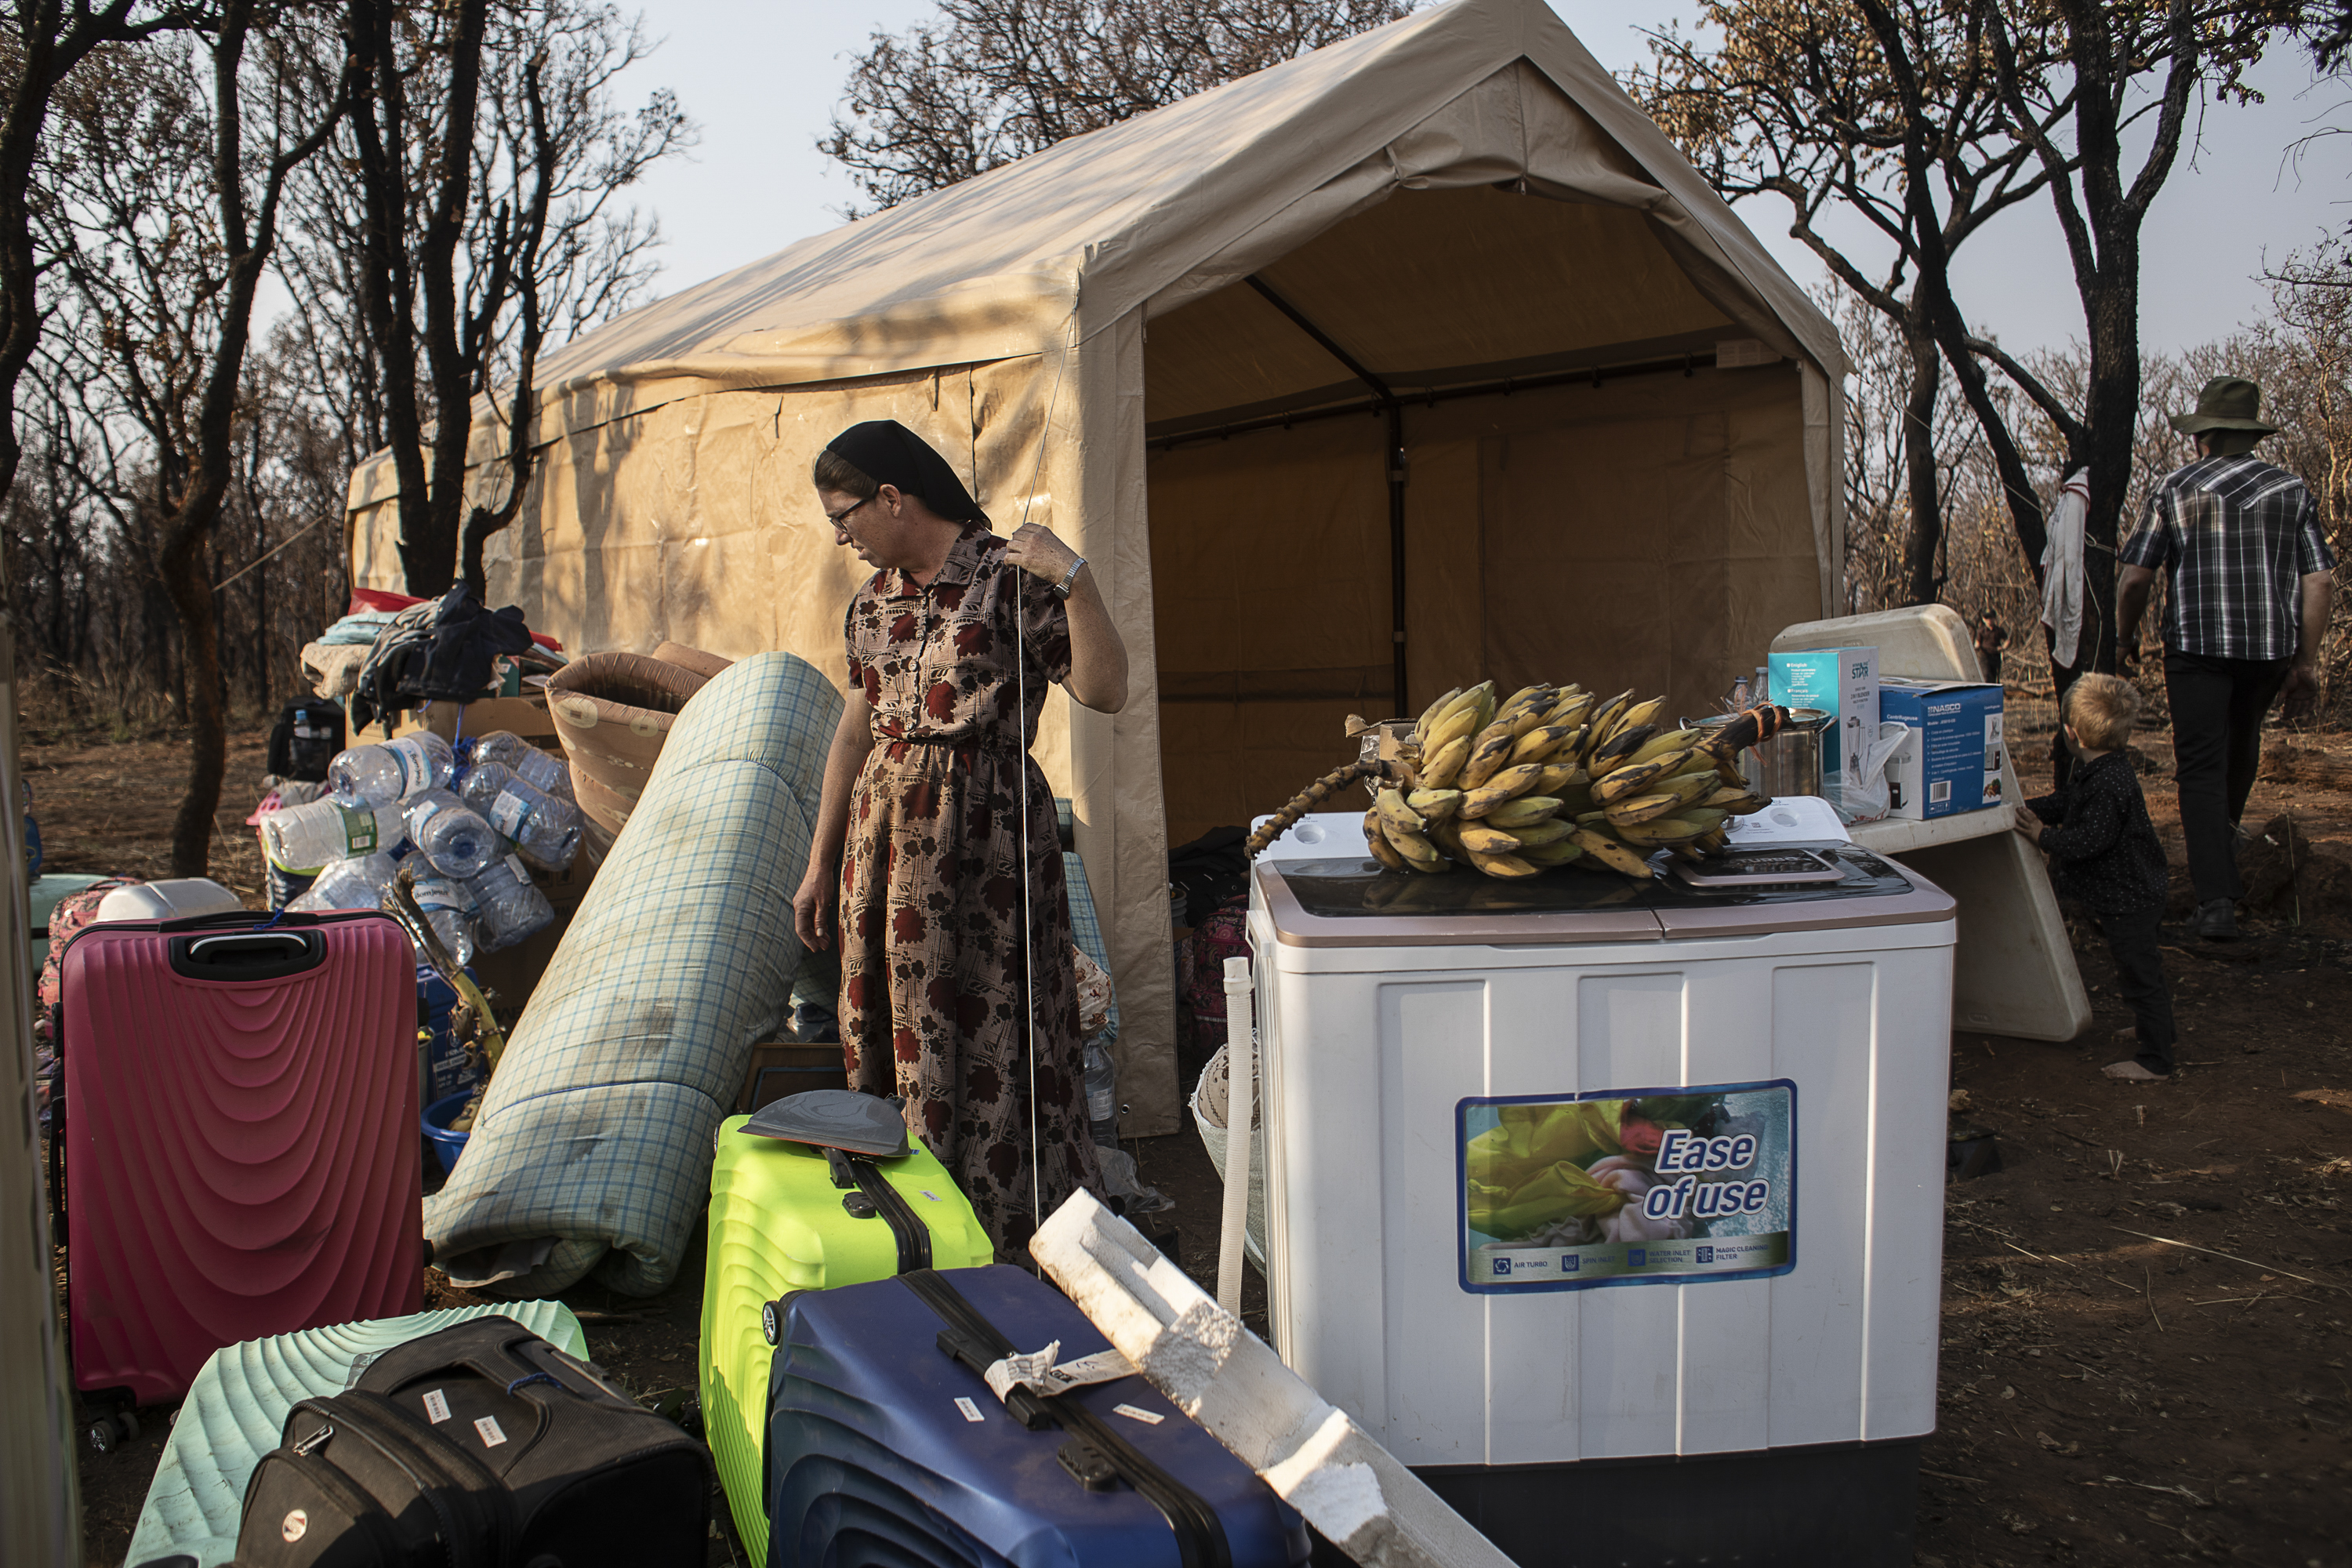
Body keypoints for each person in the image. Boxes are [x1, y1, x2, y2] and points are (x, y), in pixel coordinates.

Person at [791, 419, 1129, 1255]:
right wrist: (818, 859)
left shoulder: (1011, 575)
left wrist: (1076, 579)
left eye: (845, 515)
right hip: (889, 853)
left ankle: (1013, 1232)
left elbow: (1107, 688)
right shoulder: (872, 604)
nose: (841, 535)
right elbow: (854, 729)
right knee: (893, 1026)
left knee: (997, 1027)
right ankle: (911, 1224)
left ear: (892, 496)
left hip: (991, 847)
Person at [2117, 374, 2336, 942]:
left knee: (2200, 767)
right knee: (2242, 747)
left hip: (2197, 649)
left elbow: (2135, 579)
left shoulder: (2175, 488)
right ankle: (2224, 847)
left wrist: (2124, 637)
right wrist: (2305, 662)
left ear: (2204, 437)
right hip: (2268, 649)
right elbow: (2321, 582)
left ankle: (2215, 902)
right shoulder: (2292, 491)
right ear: (2250, 435)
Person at [2013, 675, 2176, 1081]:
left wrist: (2042, 836)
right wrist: (2023, 807)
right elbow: (2068, 803)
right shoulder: (2102, 769)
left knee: (2140, 974)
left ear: (2072, 734)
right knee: (2138, 968)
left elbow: (2089, 841)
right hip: (2131, 892)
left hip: (2130, 896)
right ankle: (2155, 1029)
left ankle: (2156, 1059)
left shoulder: (2107, 783)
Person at [1973, 611, 2009, 686]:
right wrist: (1975, 649)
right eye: (1987, 618)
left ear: (1994, 619)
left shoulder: (1999, 630)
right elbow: (1977, 643)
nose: (1989, 620)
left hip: (1996, 656)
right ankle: (1985, 694)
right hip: (1984, 656)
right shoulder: (1981, 631)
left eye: (1991, 618)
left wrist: (2003, 647)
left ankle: (1992, 695)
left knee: (1994, 677)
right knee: (1986, 676)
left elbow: (2007, 640)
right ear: (1984, 619)